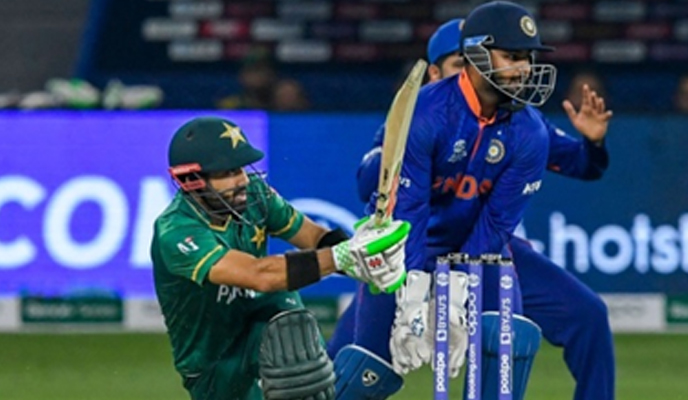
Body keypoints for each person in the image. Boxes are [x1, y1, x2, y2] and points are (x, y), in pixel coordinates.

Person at [329, 5, 615, 400]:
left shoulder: (529, 130)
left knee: (511, 345)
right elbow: (397, 205)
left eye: (527, 58)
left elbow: (497, 224)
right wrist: (413, 290)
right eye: (512, 57)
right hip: (403, 245)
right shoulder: (422, 111)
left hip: (480, 246)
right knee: (356, 372)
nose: (524, 69)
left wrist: (459, 287)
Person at [150, 116, 411, 400]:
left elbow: (314, 238)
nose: (241, 180)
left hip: (264, 315)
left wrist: (365, 256)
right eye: (226, 173)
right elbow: (258, 275)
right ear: (191, 180)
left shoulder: (254, 194)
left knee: (295, 344)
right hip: (213, 355)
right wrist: (345, 257)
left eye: (240, 168)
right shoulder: (176, 232)